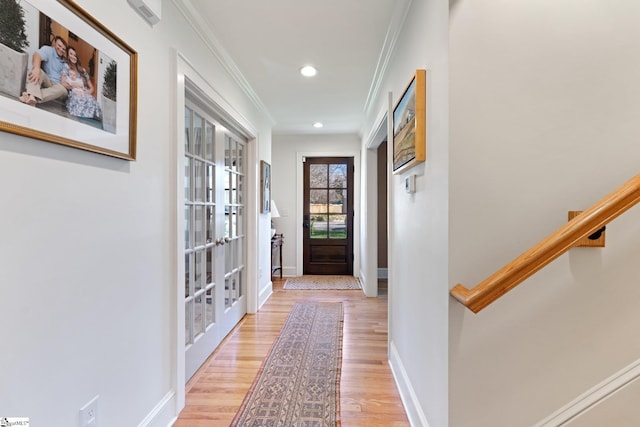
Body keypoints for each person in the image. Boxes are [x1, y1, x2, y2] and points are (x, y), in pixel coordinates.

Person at [19, 35, 68, 106]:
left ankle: (30, 95)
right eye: (59, 46)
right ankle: (32, 97)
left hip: (59, 87)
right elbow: (37, 55)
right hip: (48, 81)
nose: (61, 49)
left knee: (63, 89)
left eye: (63, 49)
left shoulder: (66, 62)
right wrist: (36, 68)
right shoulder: (48, 50)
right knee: (39, 71)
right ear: (54, 43)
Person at [60, 46, 102, 120]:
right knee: (78, 100)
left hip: (84, 92)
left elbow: (92, 88)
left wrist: (88, 92)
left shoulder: (82, 70)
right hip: (73, 92)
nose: (73, 57)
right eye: (71, 54)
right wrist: (76, 86)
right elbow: (63, 83)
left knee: (91, 100)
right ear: (68, 56)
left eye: (75, 55)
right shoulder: (66, 67)